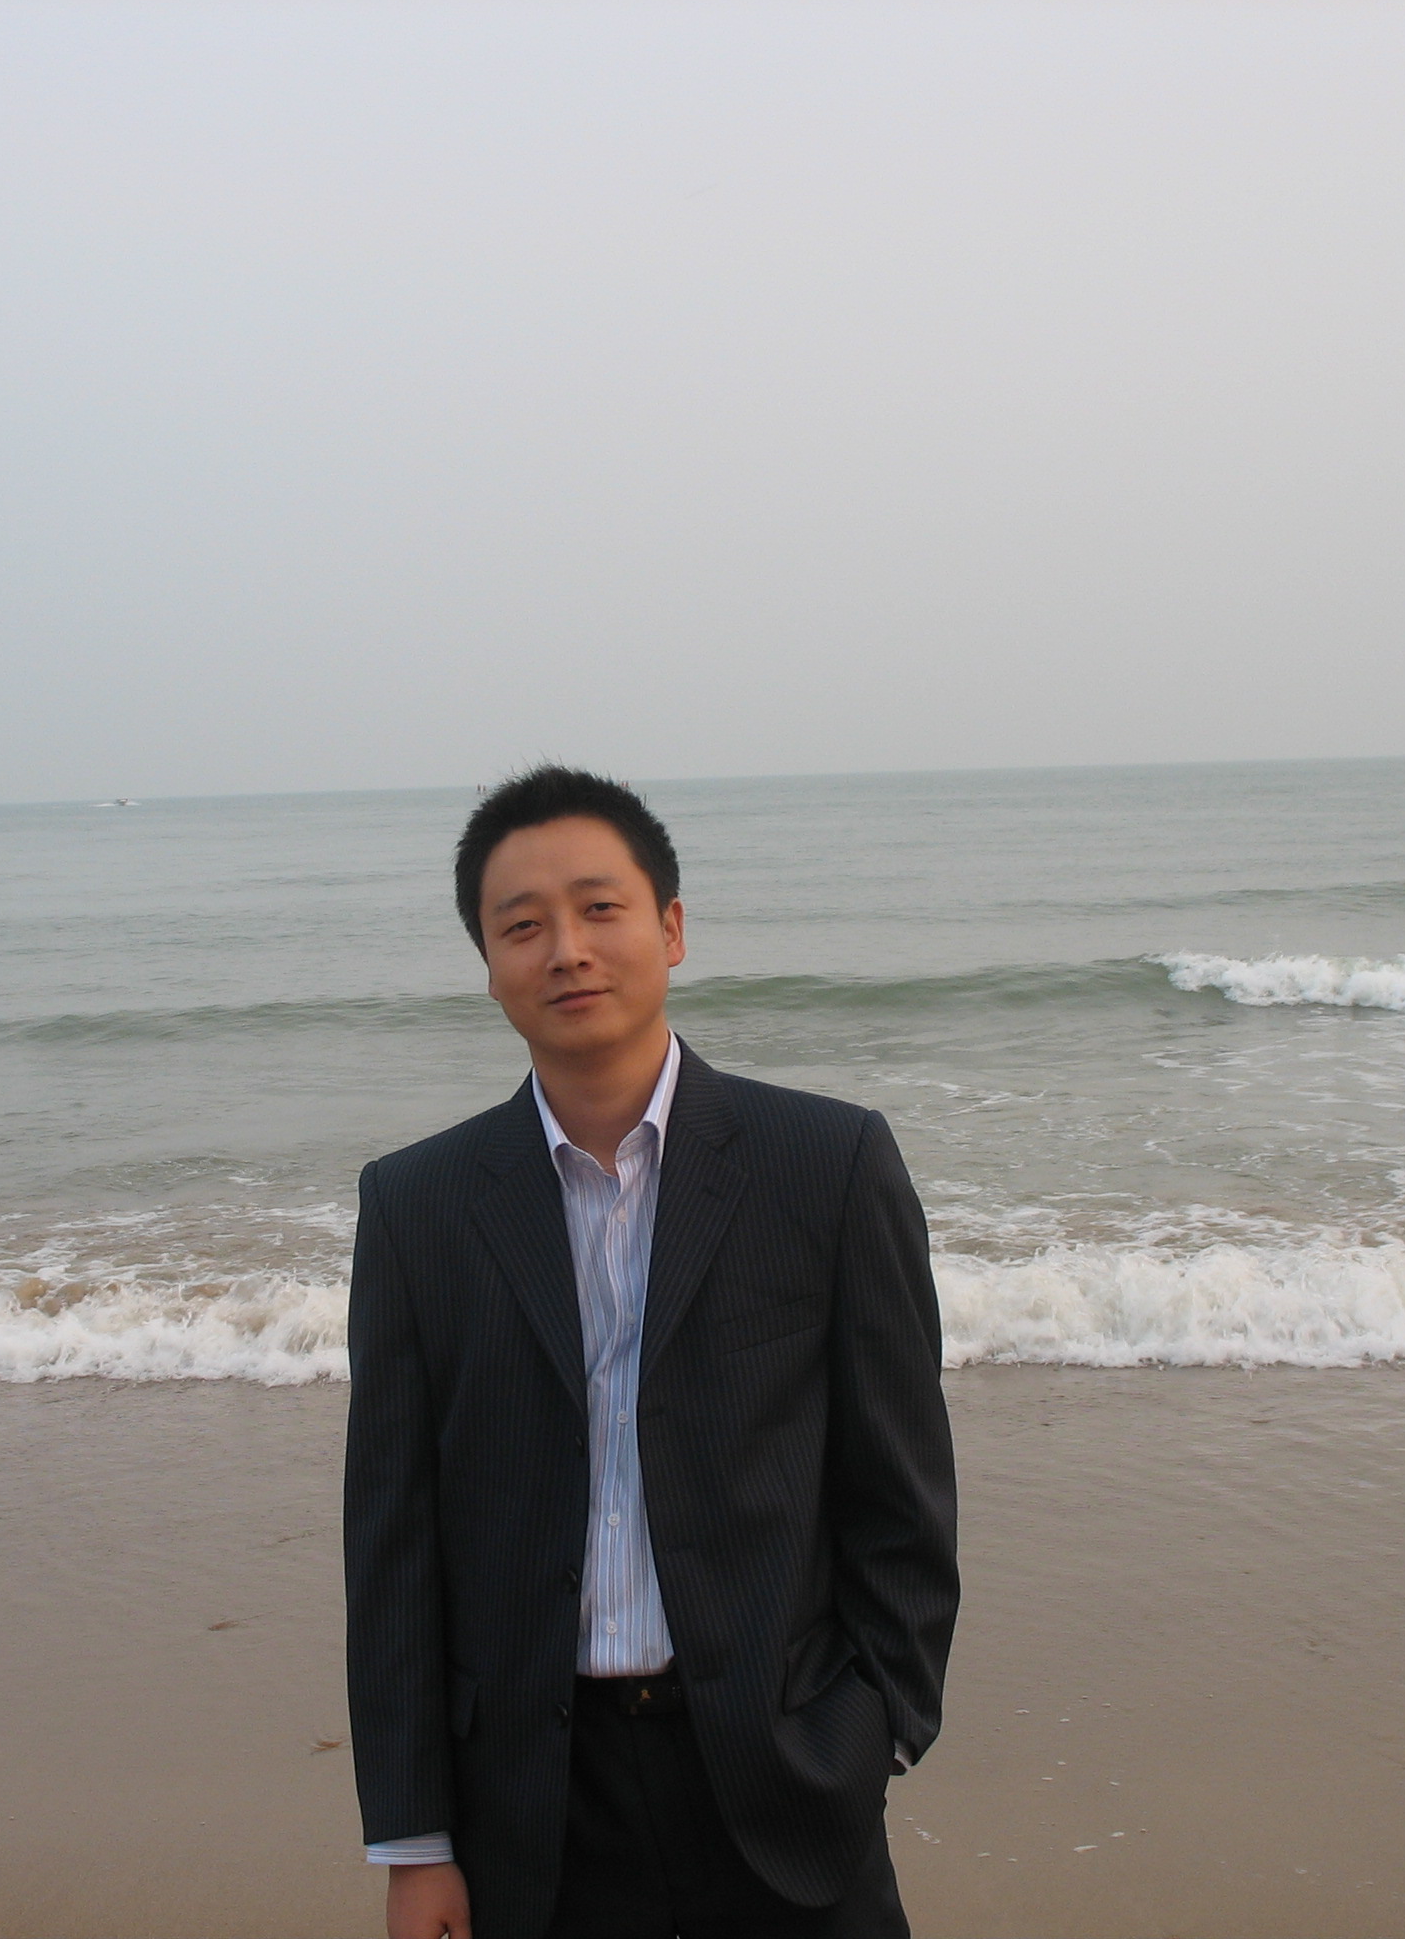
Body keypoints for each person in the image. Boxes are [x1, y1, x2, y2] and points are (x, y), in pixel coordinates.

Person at [343, 766, 960, 1939]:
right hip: (533, 1805)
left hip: (784, 1775)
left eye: (599, 909)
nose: (567, 950)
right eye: (522, 926)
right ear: (489, 967)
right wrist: (415, 1842)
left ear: (671, 928)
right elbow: (393, 1540)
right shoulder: (418, 1208)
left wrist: (877, 1726)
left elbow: (902, 1486)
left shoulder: (825, 1166)